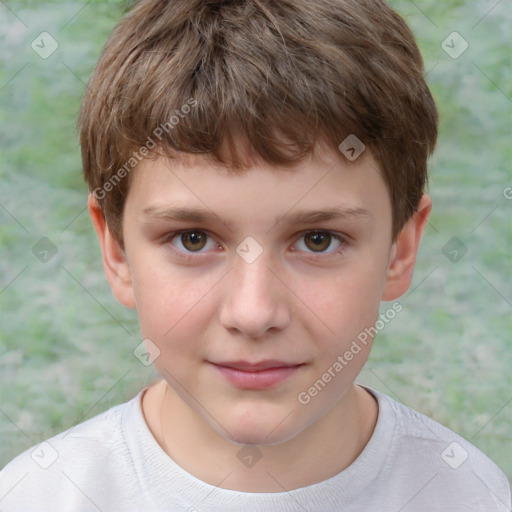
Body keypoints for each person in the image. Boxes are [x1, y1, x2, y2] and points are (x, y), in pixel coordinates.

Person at [1, 0, 510, 510]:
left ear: (400, 249)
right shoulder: (39, 497)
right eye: (193, 239)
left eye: (318, 240)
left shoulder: (471, 495)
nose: (254, 313)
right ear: (117, 252)